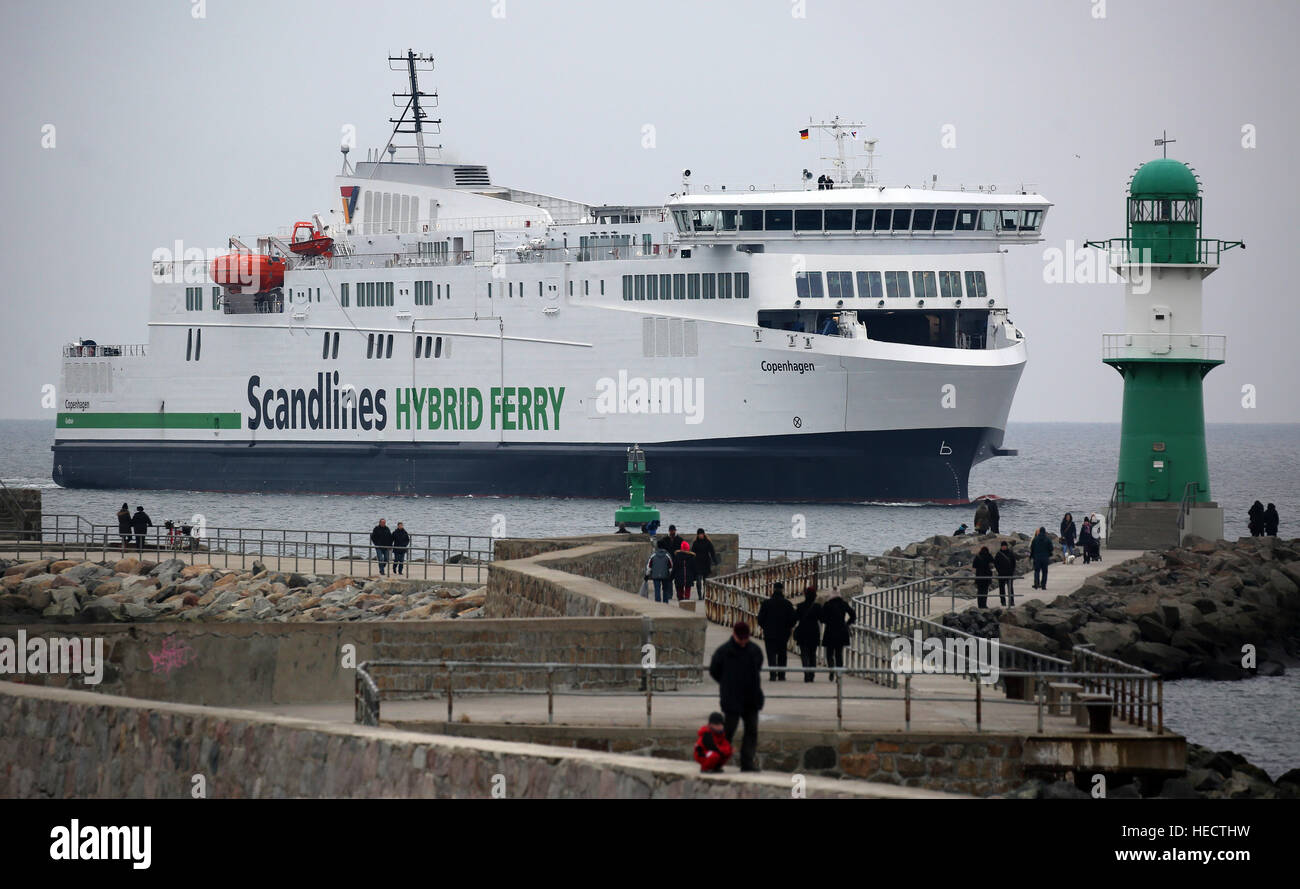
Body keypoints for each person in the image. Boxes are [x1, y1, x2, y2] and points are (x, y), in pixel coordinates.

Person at [708, 621, 764, 772]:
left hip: (751, 698)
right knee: (727, 732)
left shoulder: (754, 650)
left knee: (751, 731)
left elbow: (758, 666)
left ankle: (747, 763)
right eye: (741, 639)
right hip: (732, 699)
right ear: (735, 635)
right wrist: (727, 684)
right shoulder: (724, 652)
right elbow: (714, 670)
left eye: (745, 639)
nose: (743, 642)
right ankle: (717, 762)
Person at [756, 581, 796, 681]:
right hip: (783, 633)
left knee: (771, 654)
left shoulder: (766, 603)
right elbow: (793, 619)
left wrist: (765, 627)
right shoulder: (787, 604)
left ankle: (773, 675)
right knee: (782, 654)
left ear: (773, 590)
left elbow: (760, 619)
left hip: (770, 633)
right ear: (782, 590)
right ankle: (782, 675)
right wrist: (788, 628)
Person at [820, 589, 855, 670]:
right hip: (841, 631)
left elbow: (822, 618)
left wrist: (827, 621)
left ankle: (831, 668)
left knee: (829, 653)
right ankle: (839, 672)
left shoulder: (827, 604)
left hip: (830, 631)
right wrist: (847, 623)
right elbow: (853, 615)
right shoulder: (844, 604)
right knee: (839, 653)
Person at [793, 586, 822, 683]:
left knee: (804, 654)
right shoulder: (817, 607)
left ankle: (806, 673)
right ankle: (812, 674)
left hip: (803, 632)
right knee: (812, 654)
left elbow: (795, 618)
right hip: (814, 633)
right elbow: (822, 619)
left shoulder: (800, 606)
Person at [691, 529, 717, 600]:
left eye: (701, 534)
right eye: (699, 534)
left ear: (704, 534)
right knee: (698, 581)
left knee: (705, 581)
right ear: (697, 535)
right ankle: (699, 595)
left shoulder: (708, 542)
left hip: (706, 563)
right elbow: (692, 553)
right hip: (698, 563)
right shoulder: (695, 543)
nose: (700, 535)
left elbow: (712, 552)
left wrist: (714, 560)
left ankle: (704, 594)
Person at [994, 541, 1017, 606]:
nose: (1004, 547)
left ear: (1006, 546)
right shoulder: (998, 554)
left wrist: (1012, 571)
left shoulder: (1010, 553)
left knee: (1010, 588)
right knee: (1002, 588)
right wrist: (999, 571)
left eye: (1005, 546)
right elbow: (996, 563)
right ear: (1001, 547)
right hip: (1001, 574)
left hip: (1009, 573)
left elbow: (1013, 563)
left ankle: (1011, 601)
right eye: (1002, 546)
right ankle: (1003, 602)